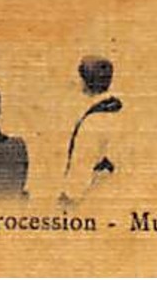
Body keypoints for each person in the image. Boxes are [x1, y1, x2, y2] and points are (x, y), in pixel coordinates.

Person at [60, 56, 124, 207]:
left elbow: (80, 173)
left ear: (84, 82)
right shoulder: (119, 111)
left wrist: (65, 202)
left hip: (93, 200)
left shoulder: (93, 121)